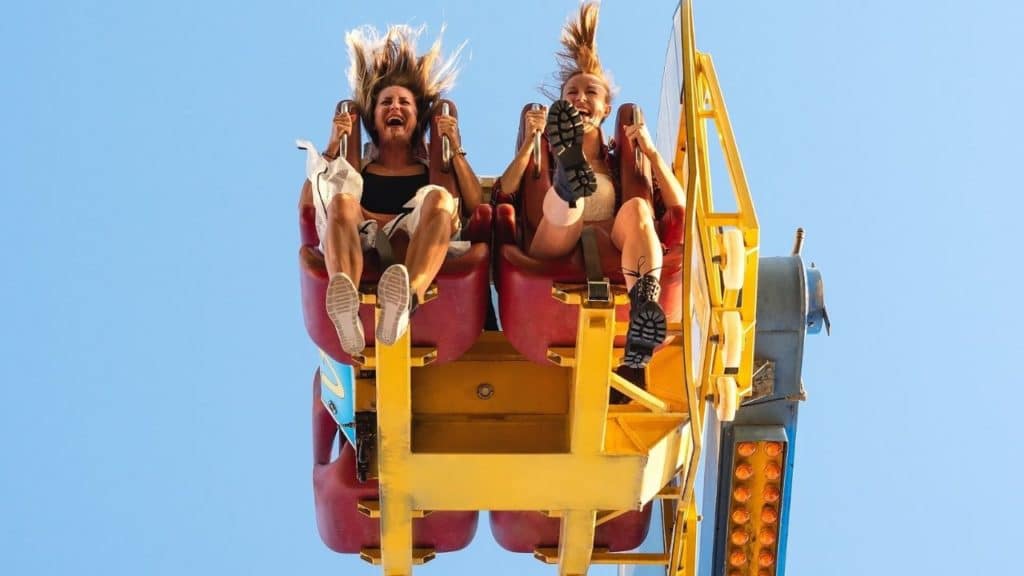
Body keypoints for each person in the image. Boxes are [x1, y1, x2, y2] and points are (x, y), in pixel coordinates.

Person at [497, 1, 685, 369]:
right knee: (572, 203)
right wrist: (528, 147)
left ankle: (644, 302)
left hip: (614, 239)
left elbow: (679, 208)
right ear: (561, 107)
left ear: (605, 109)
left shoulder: (623, 161)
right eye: (571, 94)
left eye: (590, 93)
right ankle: (570, 181)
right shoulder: (540, 153)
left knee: (637, 209)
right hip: (555, 240)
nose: (580, 99)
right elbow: (503, 191)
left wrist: (649, 150)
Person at [297, 25, 482, 355]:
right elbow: (311, 205)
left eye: (403, 103)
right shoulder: (357, 168)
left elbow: (474, 202)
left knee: (439, 197)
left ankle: (406, 299)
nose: (395, 108)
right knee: (340, 198)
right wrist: (331, 147)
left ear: (416, 116)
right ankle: (346, 303)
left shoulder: (433, 170)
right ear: (374, 117)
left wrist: (455, 149)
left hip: (415, 235)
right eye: (386, 103)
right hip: (363, 235)